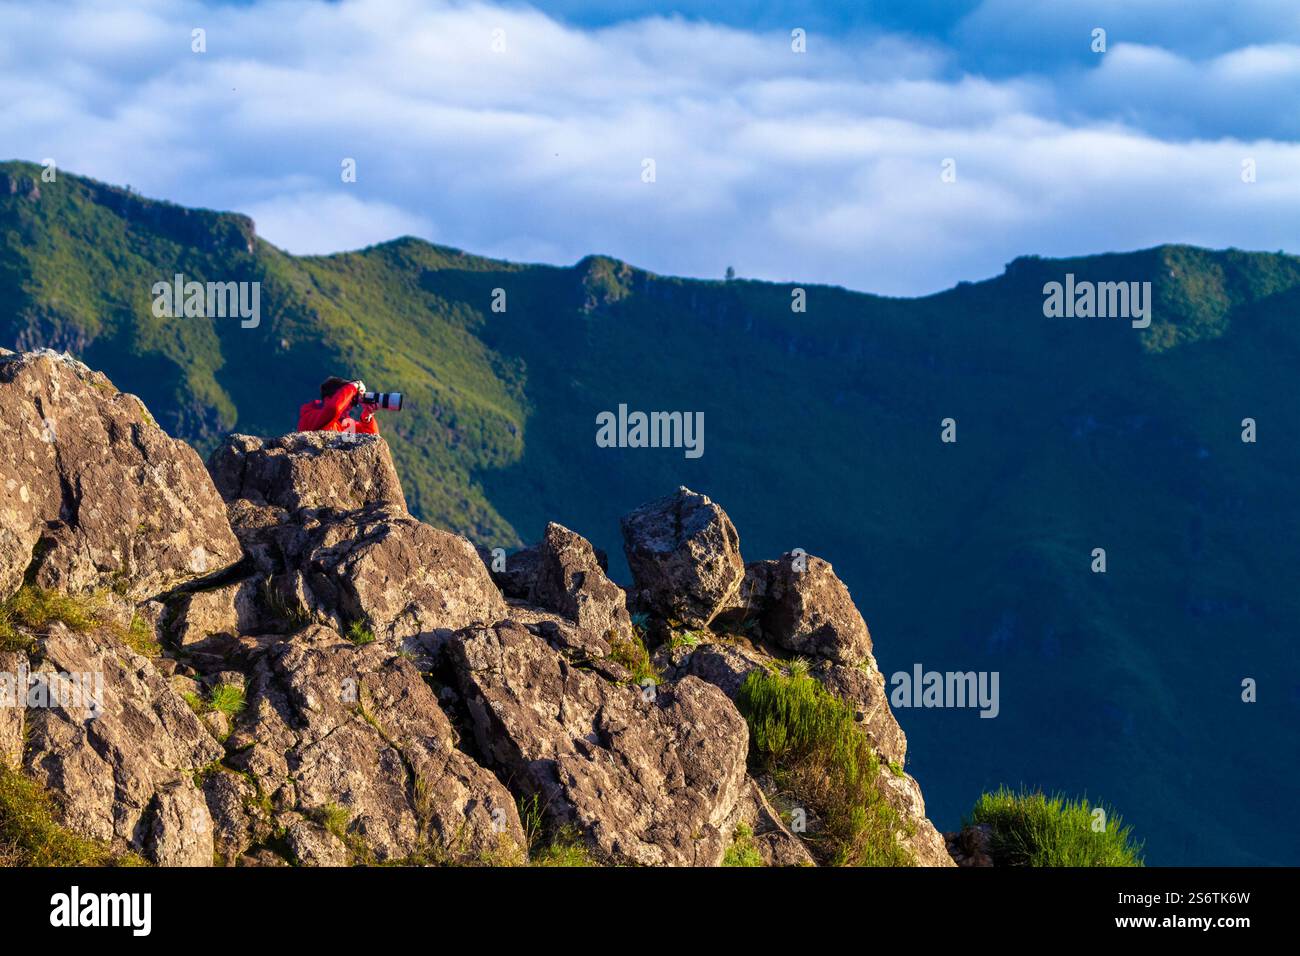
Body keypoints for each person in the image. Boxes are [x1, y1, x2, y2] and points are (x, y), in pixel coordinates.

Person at [297, 376, 379, 434]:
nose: (350, 407)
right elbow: (333, 409)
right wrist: (353, 386)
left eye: (353, 402)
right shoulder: (310, 417)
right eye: (348, 399)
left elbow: (372, 442)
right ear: (331, 398)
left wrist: (367, 418)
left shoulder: (346, 423)